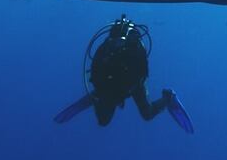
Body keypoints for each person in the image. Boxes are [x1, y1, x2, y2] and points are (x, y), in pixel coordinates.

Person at [54, 14, 194, 133]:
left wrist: (137, 83)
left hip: (134, 82)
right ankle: (92, 100)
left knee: (147, 113)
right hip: (121, 82)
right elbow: (96, 68)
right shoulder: (103, 78)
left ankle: (169, 98)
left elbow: (142, 69)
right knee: (105, 101)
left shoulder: (109, 80)